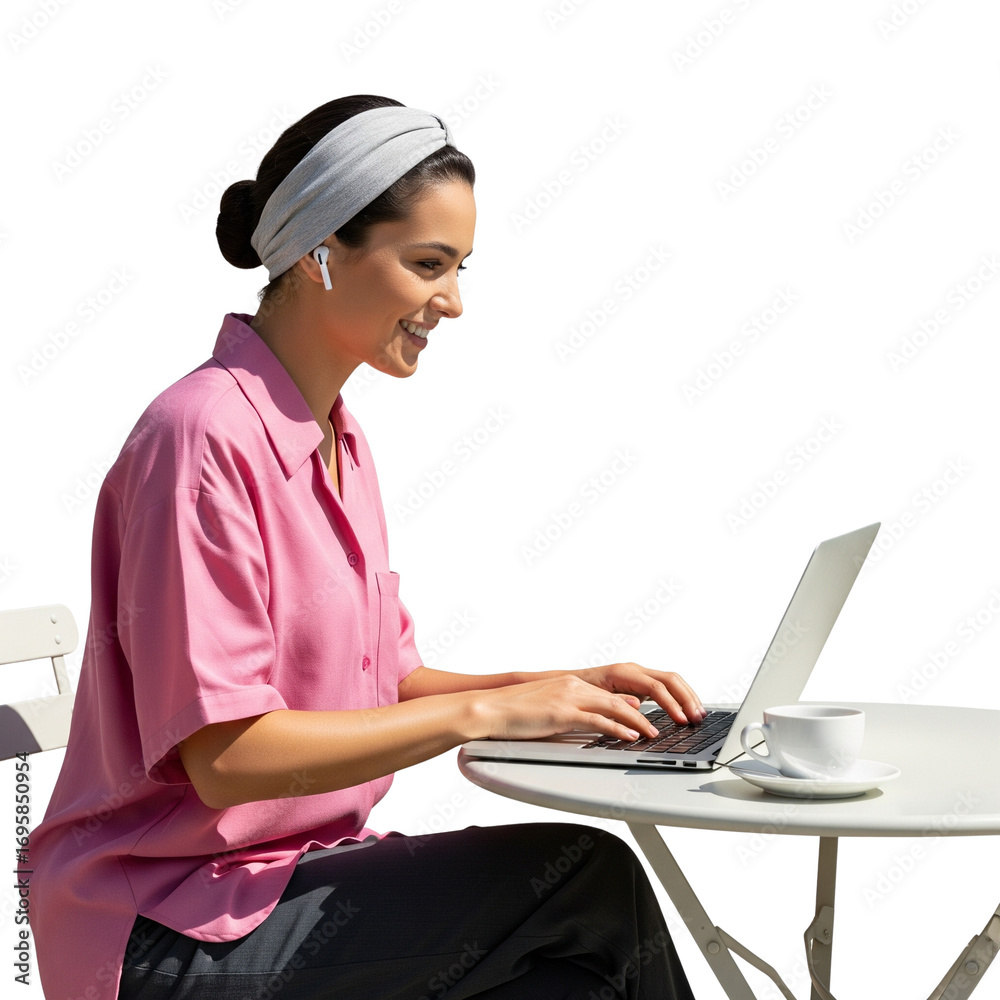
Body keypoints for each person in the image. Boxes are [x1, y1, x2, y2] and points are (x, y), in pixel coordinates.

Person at [30, 94, 705, 1000]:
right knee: (591, 882)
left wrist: (567, 688)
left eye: (459, 268)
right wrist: (487, 715)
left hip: (290, 883)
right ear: (320, 250)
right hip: (162, 927)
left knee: (565, 983)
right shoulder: (200, 439)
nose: (453, 301)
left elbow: (388, 683)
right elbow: (226, 760)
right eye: (428, 263)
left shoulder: (338, 439)